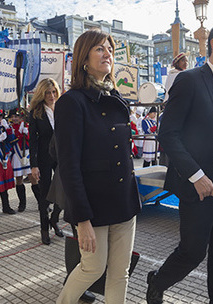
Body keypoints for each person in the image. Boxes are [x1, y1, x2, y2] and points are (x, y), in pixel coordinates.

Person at [146, 21, 213, 304]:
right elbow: (167, 133)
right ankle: (158, 280)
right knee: (192, 252)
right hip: (201, 183)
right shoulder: (190, 80)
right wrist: (196, 175)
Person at [55, 28, 141, 304]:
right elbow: (69, 165)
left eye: (110, 49)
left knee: (120, 273)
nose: (108, 54)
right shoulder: (72, 102)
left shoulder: (116, 99)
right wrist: (82, 220)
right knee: (93, 268)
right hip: (93, 205)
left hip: (124, 202)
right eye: (100, 49)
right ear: (84, 58)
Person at [29, 78, 64, 245]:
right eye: (48, 93)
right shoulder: (36, 112)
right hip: (43, 157)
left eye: (54, 92)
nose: (51, 95)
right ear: (42, 94)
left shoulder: (63, 107)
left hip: (62, 156)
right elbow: (32, 141)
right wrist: (33, 165)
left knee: (64, 190)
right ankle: (44, 229)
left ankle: (54, 219)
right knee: (44, 195)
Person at [8, 108, 40, 212]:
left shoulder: (26, 126)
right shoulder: (10, 128)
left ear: (21, 117)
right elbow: (10, 141)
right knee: (19, 179)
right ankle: (22, 203)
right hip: (17, 155)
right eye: (12, 117)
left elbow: (33, 139)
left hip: (26, 154)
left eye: (16, 116)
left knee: (33, 178)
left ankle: (41, 202)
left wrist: (27, 133)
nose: (14, 118)